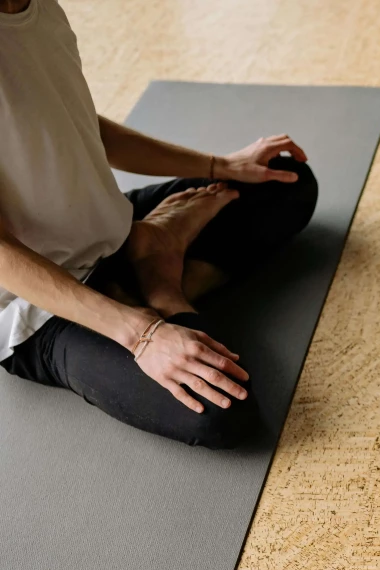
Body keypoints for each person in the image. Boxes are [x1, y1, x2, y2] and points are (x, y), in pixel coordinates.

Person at [0, 0, 318, 448]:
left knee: (286, 181)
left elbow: (76, 123)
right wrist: (142, 334)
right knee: (221, 410)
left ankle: (148, 256)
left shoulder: (39, 8)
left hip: (113, 229)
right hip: (38, 307)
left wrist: (220, 164)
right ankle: (161, 278)